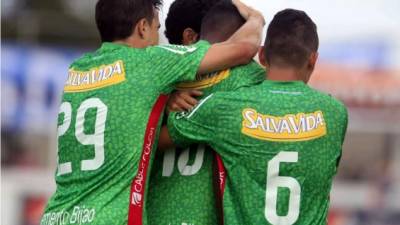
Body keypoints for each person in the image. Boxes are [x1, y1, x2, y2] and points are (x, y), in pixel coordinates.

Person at [40, 0, 265, 224]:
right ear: (142, 27)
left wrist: (164, 97)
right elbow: (243, 48)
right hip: (108, 218)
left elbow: (123, 108)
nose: (157, 39)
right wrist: (256, 18)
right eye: (156, 29)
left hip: (56, 215)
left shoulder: (77, 68)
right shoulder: (150, 62)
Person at [160, 9, 348, 225]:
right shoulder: (335, 113)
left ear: (262, 55)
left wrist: (167, 102)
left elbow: (152, 139)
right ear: (313, 60)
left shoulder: (227, 107)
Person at [147, 2, 265, 225]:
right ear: (192, 38)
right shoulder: (249, 79)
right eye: (231, 42)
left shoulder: (148, 75)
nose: (234, 53)